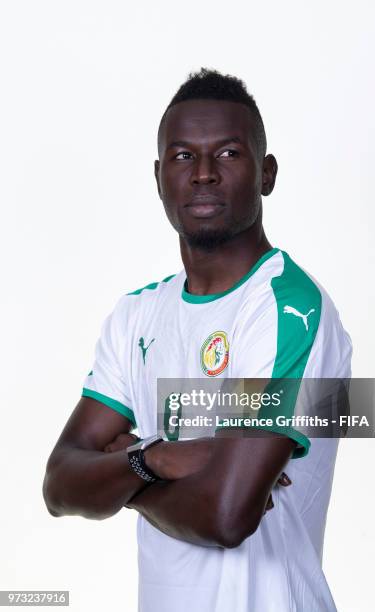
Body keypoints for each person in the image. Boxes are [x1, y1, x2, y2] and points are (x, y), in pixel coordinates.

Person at [43, 68, 352, 612]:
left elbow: (227, 516)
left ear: (267, 174)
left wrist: (124, 469)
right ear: (158, 175)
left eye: (229, 154)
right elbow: (60, 484)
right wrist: (156, 459)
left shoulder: (287, 307)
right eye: (184, 156)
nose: (203, 174)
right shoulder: (135, 314)